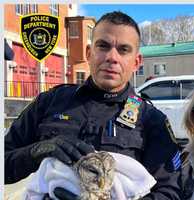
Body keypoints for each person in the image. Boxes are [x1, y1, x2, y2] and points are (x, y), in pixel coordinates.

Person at [5, 11, 182, 200]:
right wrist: (38, 151)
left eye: (123, 50)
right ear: (89, 53)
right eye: (103, 46)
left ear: (136, 62)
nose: (112, 57)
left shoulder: (151, 120)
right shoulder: (50, 102)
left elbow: (171, 191)